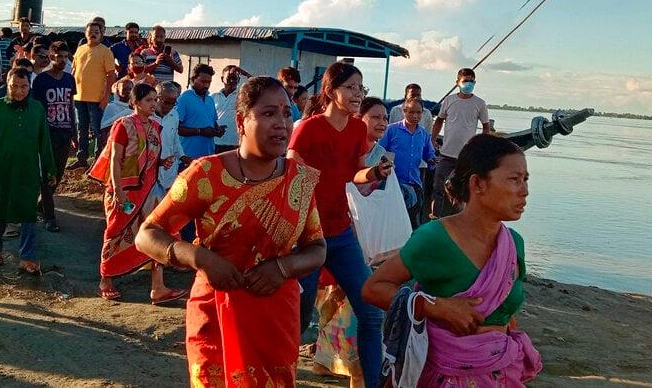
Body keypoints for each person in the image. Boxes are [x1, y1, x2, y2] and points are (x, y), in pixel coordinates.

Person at [136, 76, 327, 386]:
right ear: (241, 121)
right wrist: (200, 258)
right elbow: (147, 234)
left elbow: (317, 248)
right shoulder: (207, 174)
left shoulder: (300, 180)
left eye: (286, 113)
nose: (281, 123)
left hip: (275, 318)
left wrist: (282, 267)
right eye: (268, 114)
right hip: (216, 315)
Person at [363, 135, 541, 387]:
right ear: (478, 183)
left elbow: (506, 314)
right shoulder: (434, 238)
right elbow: (373, 288)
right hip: (443, 373)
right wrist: (435, 307)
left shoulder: (513, 244)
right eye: (514, 179)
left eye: (525, 179)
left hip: (500, 371)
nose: (524, 191)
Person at [288, 61, 391, 388]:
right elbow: (291, 172)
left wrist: (374, 173)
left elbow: (355, 174)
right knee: (299, 319)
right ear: (331, 91)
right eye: (351, 88)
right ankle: (280, 376)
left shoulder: (359, 129)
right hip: (308, 235)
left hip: (343, 234)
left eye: (361, 88)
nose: (358, 94)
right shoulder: (308, 129)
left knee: (371, 312)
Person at [89, 82, 185, 303]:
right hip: (124, 190)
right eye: (149, 100)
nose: (154, 104)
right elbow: (115, 160)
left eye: (155, 100)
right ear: (136, 103)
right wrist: (119, 194)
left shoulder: (155, 127)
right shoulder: (123, 125)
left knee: (156, 233)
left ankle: (158, 287)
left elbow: (146, 159)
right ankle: (106, 280)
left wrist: (162, 161)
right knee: (115, 233)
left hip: (150, 190)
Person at [0, 67, 56, 274]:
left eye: (23, 87)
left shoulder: (37, 109)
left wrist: (50, 169)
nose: (19, 91)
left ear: (29, 86)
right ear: (7, 85)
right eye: (14, 86)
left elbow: (44, 142)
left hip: (28, 169)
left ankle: (27, 256)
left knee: (28, 211)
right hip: (0, 169)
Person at [31, 41, 78, 233]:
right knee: (47, 174)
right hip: (47, 132)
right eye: (59, 56)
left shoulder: (69, 79)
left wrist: (75, 132)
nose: (62, 60)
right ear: (51, 57)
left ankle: (42, 204)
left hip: (65, 131)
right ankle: (50, 217)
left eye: (66, 57)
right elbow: (36, 108)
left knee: (58, 173)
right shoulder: (41, 80)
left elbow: (71, 104)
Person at [431, 68, 490, 219]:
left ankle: (460, 220)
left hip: (466, 156)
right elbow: (439, 120)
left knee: (463, 190)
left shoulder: (480, 103)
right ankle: (436, 217)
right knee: (438, 187)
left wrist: (481, 148)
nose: (468, 84)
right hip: (446, 153)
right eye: (465, 81)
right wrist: (433, 139)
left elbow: (486, 127)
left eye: (471, 81)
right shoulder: (449, 101)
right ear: (457, 83)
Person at [379, 97, 436, 230]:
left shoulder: (423, 134)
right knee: (391, 222)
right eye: (411, 112)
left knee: (412, 224)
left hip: (415, 185)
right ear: (404, 111)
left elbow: (429, 154)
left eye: (418, 112)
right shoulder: (391, 130)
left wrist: (432, 160)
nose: (415, 116)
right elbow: (379, 151)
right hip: (394, 184)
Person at [68, 21, 116, 169]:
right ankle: (81, 158)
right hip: (79, 97)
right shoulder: (80, 49)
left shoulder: (106, 51)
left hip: (97, 99)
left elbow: (111, 75)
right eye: (90, 31)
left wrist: (106, 95)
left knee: (97, 130)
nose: (93, 34)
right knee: (82, 129)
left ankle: (98, 161)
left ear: (101, 34)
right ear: (85, 33)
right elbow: (73, 72)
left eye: (96, 31)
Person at [176, 64, 225, 159]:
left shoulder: (210, 99)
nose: (206, 85)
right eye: (203, 82)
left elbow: (213, 122)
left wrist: (218, 130)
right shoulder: (184, 99)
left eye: (209, 82)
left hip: (208, 156)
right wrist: (200, 131)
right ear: (193, 79)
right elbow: (176, 129)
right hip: (188, 157)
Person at [151, 81, 187, 200]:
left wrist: (183, 157)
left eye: (173, 103)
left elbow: (175, 138)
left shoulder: (174, 115)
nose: (169, 106)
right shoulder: (147, 116)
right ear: (157, 98)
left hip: (169, 169)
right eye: (166, 102)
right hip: (150, 169)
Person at [212, 64, 251, 153]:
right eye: (229, 78)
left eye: (235, 78)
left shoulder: (243, 96)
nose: (232, 81)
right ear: (222, 79)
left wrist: (243, 72)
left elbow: (258, 86)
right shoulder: (213, 97)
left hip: (235, 145)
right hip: (215, 143)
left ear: (239, 80)